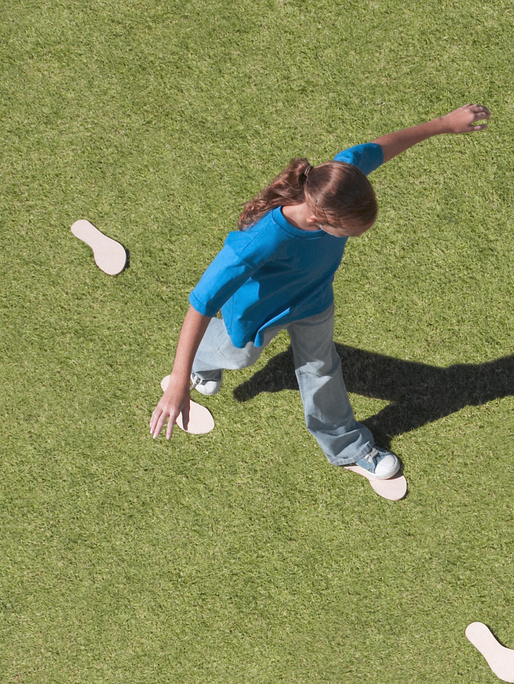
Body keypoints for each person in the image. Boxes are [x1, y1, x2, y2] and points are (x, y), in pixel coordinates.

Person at [148, 104, 490, 498]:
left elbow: (381, 147)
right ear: (319, 218)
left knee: (321, 367)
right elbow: (201, 302)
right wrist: (176, 383)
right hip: (261, 311)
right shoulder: (260, 242)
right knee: (238, 356)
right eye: (349, 231)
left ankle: (347, 447)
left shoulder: (335, 179)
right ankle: (199, 367)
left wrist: (444, 124)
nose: (355, 236)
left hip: (313, 299)